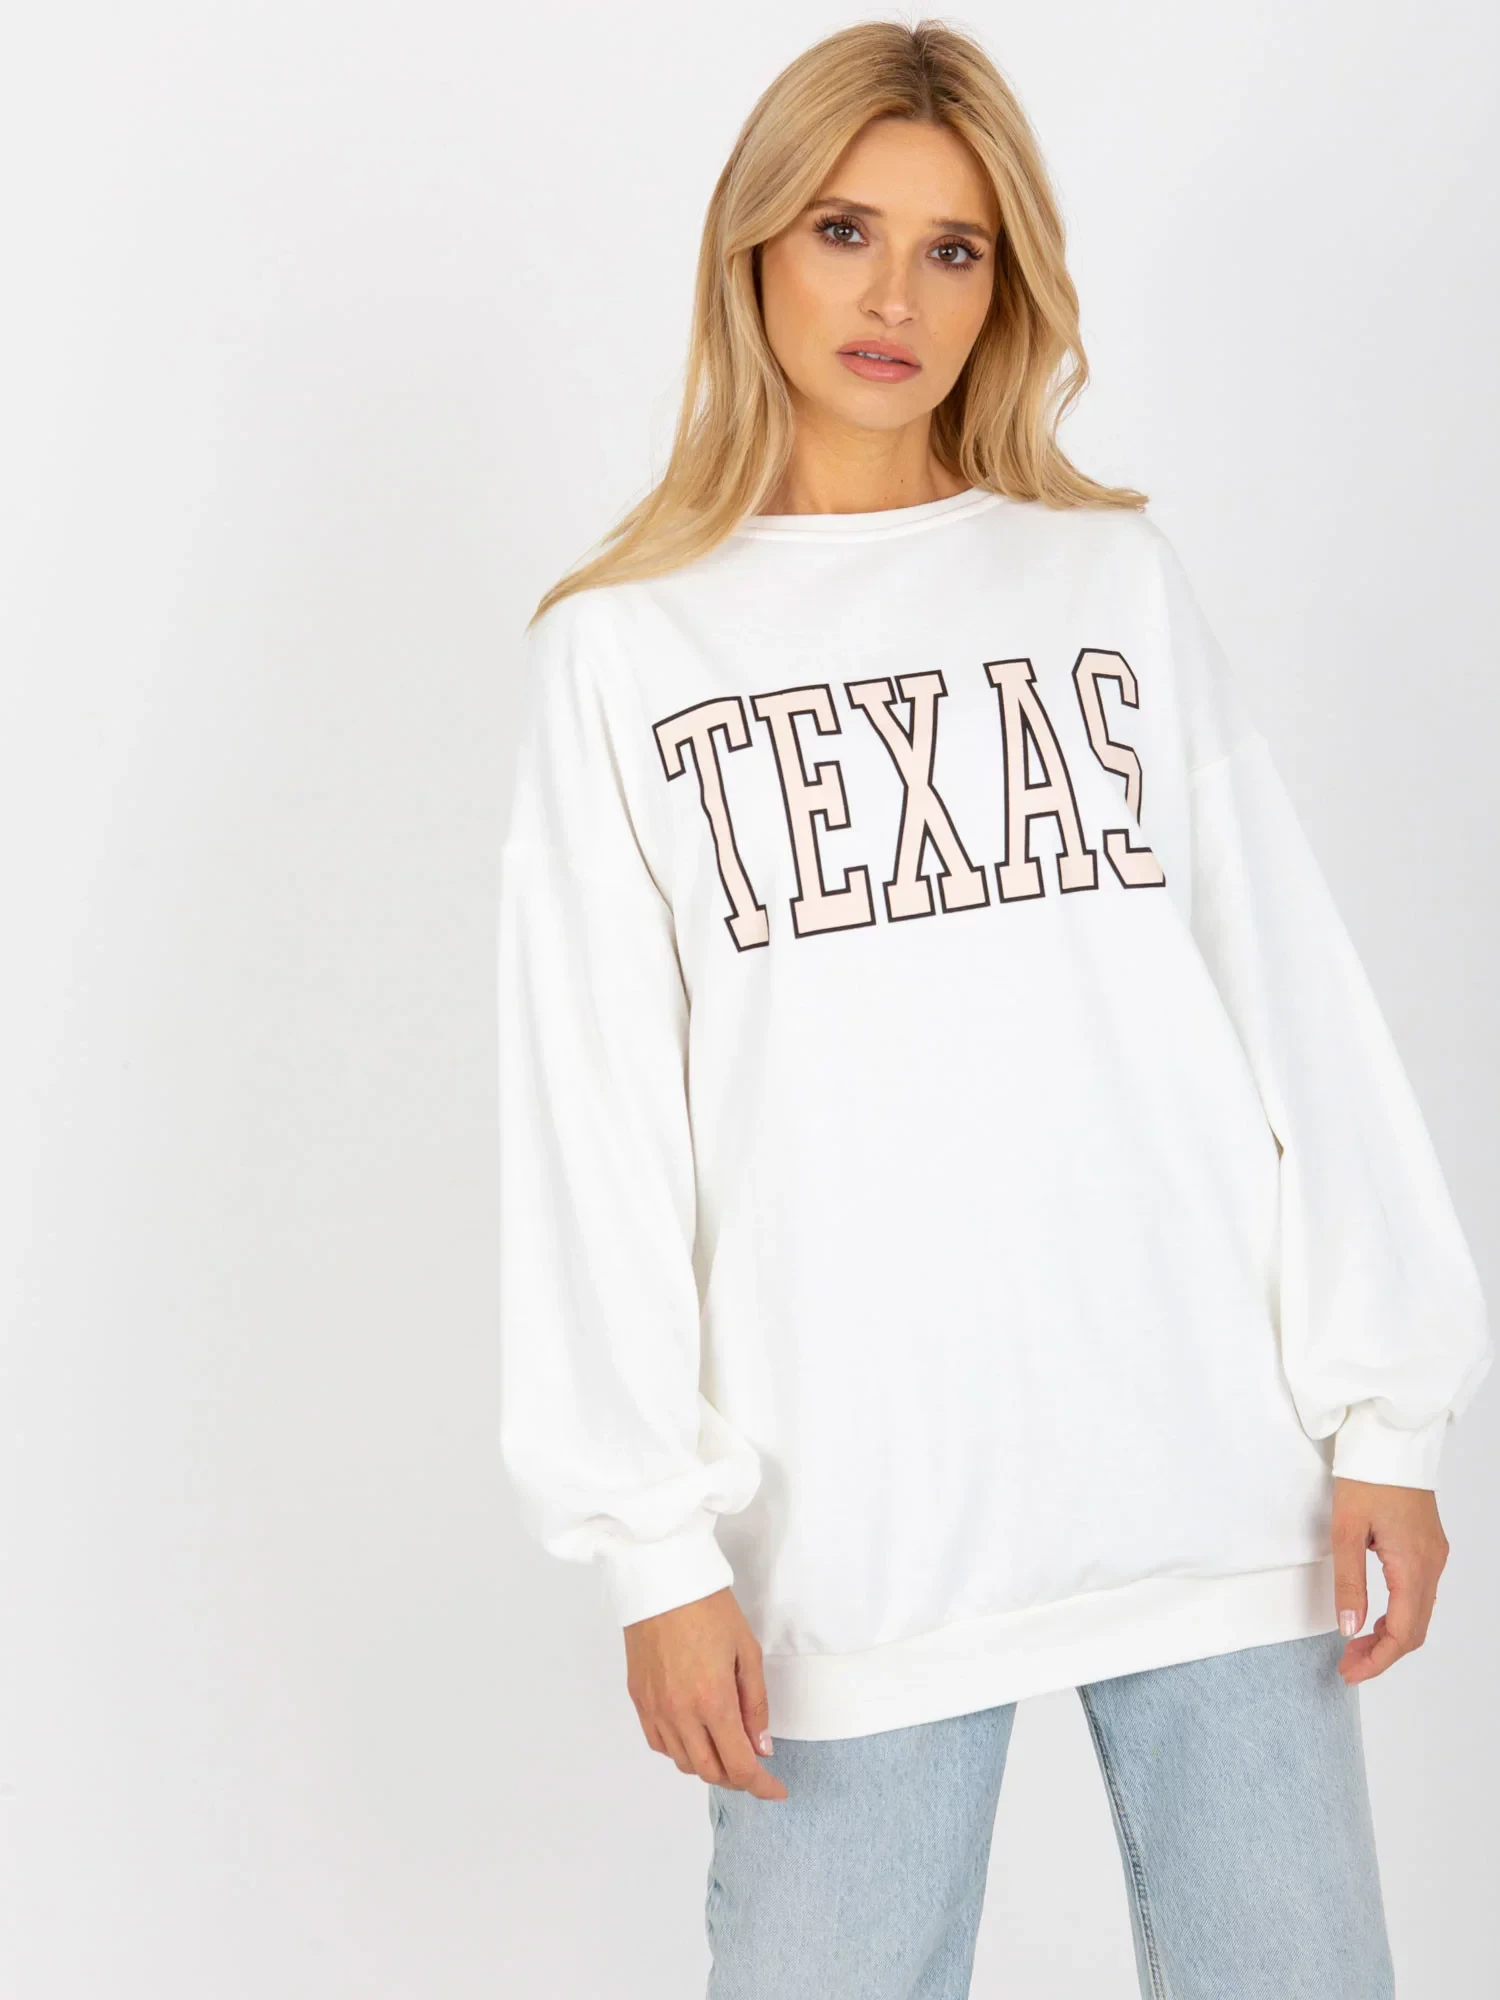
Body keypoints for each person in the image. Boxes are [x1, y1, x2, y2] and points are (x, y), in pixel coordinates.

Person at [494, 19, 1491, 1998]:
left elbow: (1290, 999)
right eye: (846, 230)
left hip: (1212, 1482)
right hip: (853, 1536)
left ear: (1005, 284)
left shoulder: (1107, 584)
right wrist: (654, 1545)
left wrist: (1387, 1409)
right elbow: (593, 1121)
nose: (896, 296)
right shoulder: (621, 651)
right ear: (753, 247)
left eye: (953, 249)